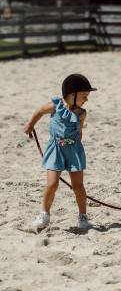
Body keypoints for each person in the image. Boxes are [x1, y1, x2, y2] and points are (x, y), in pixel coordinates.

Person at [23, 74, 97, 232]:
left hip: (74, 151)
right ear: (72, 95)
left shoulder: (82, 113)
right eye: (84, 96)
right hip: (55, 149)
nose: (87, 100)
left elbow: (79, 131)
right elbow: (39, 111)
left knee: (78, 186)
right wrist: (30, 125)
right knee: (52, 184)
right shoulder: (55, 106)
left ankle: (83, 216)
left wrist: (75, 146)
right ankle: (44, 214)